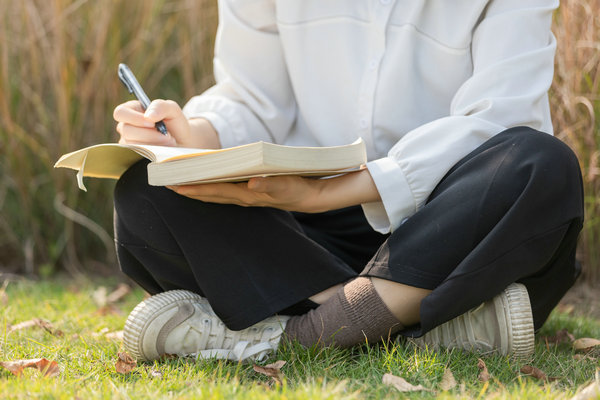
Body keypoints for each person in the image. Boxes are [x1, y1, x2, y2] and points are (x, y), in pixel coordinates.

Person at [112, 0, 583, 362]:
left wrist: (324, 191)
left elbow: (501, 118)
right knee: (145, 189)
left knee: (541, 165)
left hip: (452, 225)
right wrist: (191, 136)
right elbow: (253, 99)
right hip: (305, 238)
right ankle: (417, 320)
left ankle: (300, 334)